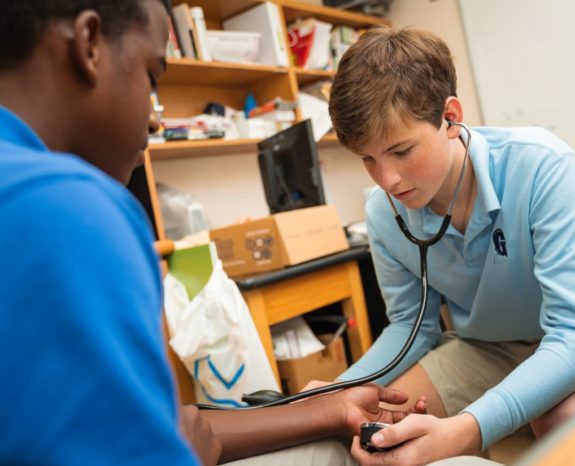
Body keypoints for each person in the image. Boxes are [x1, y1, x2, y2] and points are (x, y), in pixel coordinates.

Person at [0, 2, 426, 465]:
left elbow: (172, 424)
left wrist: (332, 408)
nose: (155, 120)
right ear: (89, 45)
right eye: (152, 75)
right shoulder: (71, 208)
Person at [315, 26, 575, 465]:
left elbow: (568, 333)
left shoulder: (543, 167)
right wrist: (336, 392)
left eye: (400, 151)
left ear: (450, 117)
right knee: (371, 424)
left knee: (557, 430)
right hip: (487, 347)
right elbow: (410, 327)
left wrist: (467, 429)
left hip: (564, 338)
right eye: (368, 159)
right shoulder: (385, 212)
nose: (387, 180)